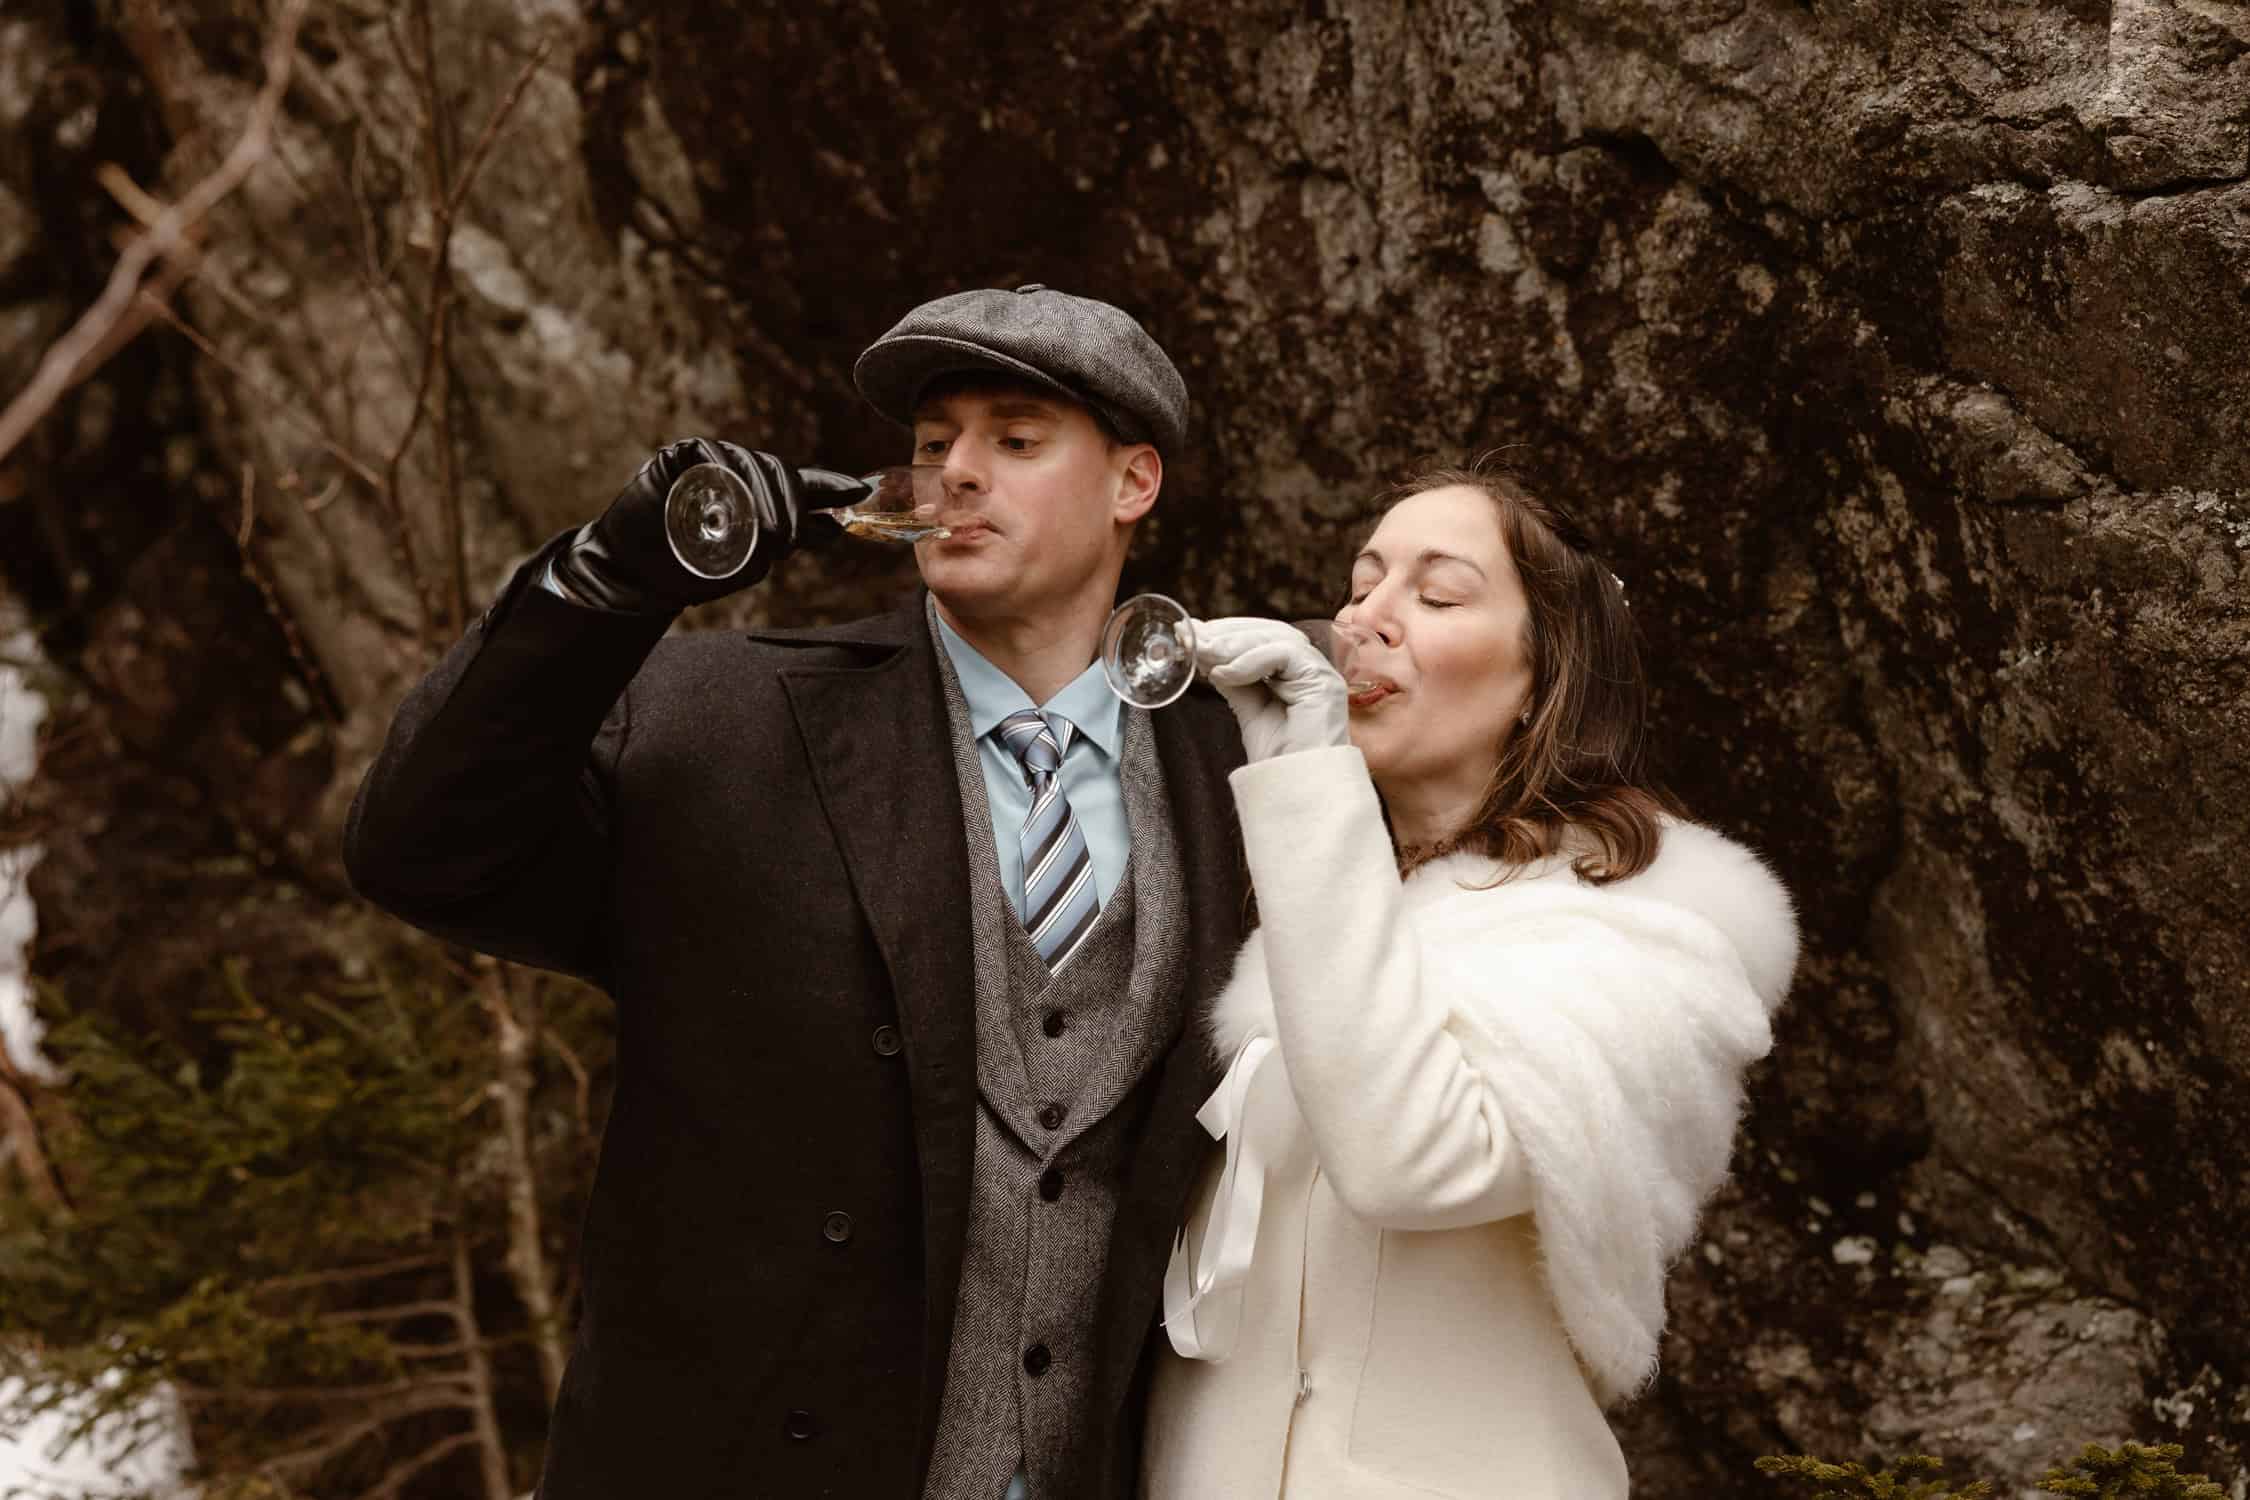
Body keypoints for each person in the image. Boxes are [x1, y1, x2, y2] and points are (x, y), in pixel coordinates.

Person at [344, 285, 1252, 1500]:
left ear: (1133, 482)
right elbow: (420, 850)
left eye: (1016, 440)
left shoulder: (1240, 761)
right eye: (935, 445)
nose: (956, 474)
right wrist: (609, 583)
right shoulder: (721, 716)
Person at [1140, 460, 1800, 1498]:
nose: (1368, 618)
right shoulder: (1307, 916)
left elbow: (1413, 1163)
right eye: (1362, 584)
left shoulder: (1658, 923)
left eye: (1438, 594)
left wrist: (1306, 788)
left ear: (1547, 672)